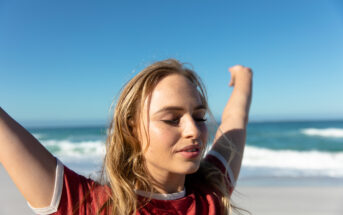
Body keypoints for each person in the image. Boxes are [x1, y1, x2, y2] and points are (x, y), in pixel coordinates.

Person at [0, 59, 252, 215]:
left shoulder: (212, 194)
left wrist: (243, 78)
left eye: (199, 117)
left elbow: (234, 121)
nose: (194, 130)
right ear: (132, 129)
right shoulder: (92, 206)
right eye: (172, 119)